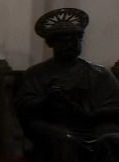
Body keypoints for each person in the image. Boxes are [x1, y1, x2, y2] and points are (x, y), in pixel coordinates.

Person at [14, 8, 119, 162]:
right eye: (64, 41)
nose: (71, 44)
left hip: (95, 125)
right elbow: (24, 107)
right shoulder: (36, 73)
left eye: (76, 40)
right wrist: (48, 100)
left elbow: (116, 106)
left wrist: (92, 114)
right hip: (54, 125)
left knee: (112, 139)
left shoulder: (99, 73)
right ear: (52, 44)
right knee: (66, 140)